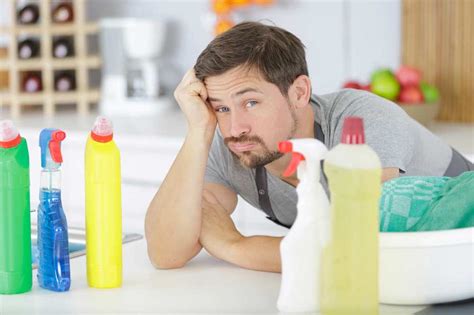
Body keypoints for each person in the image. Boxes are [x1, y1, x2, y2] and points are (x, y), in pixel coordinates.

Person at [144, 21, 473, 273]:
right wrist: (198, 132)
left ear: (299, 93)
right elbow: (165, 252)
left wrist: (235, 246)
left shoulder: (361, 121)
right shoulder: (233, 141)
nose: (235, 128)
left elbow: (363, 248)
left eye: (251, 102)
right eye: (221, 107)